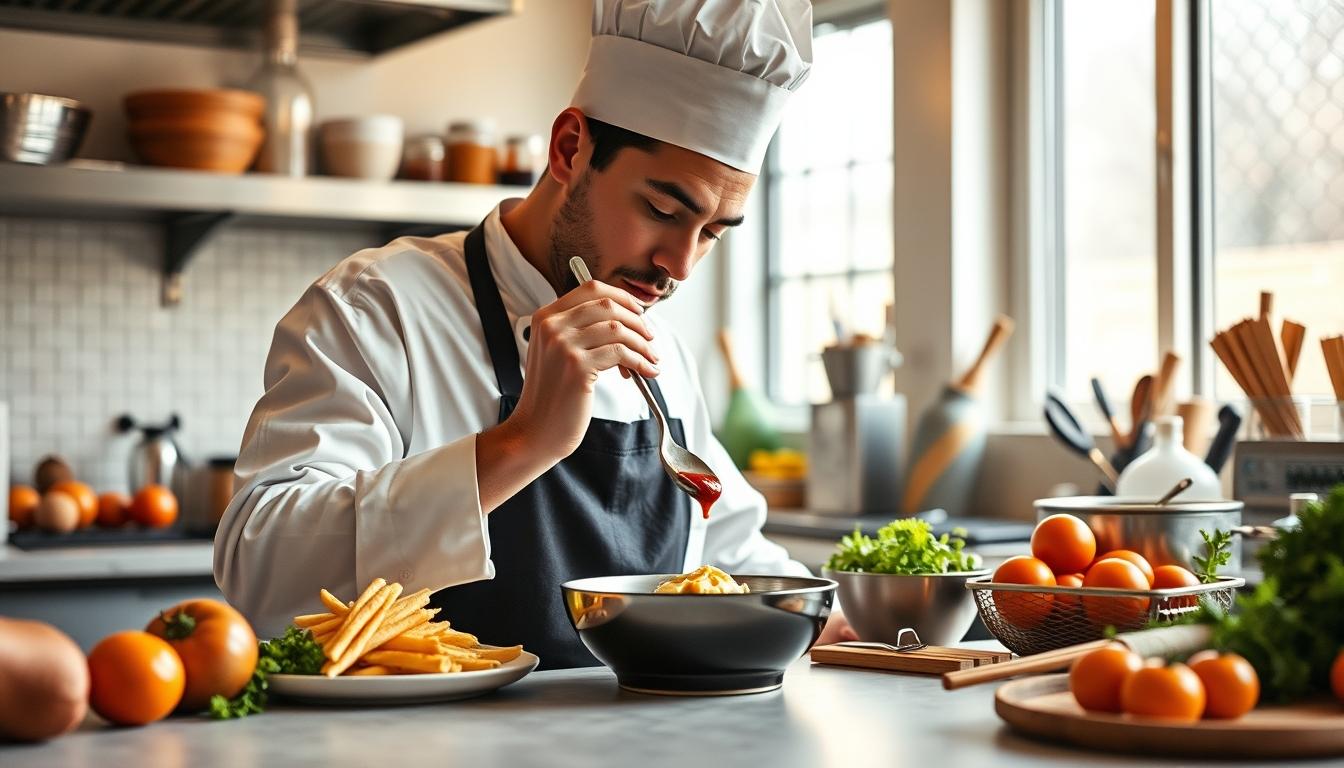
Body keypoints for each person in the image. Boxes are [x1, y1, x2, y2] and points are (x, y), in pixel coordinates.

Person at [215, 0, 855, 668]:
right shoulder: (377, 308)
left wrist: (837, 620)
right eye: (663, 210)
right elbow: (262, 569)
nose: (681, 265)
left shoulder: (662, 355)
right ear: (570, 149)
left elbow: (727, 547)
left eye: (714, 232)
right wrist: (522, 442)